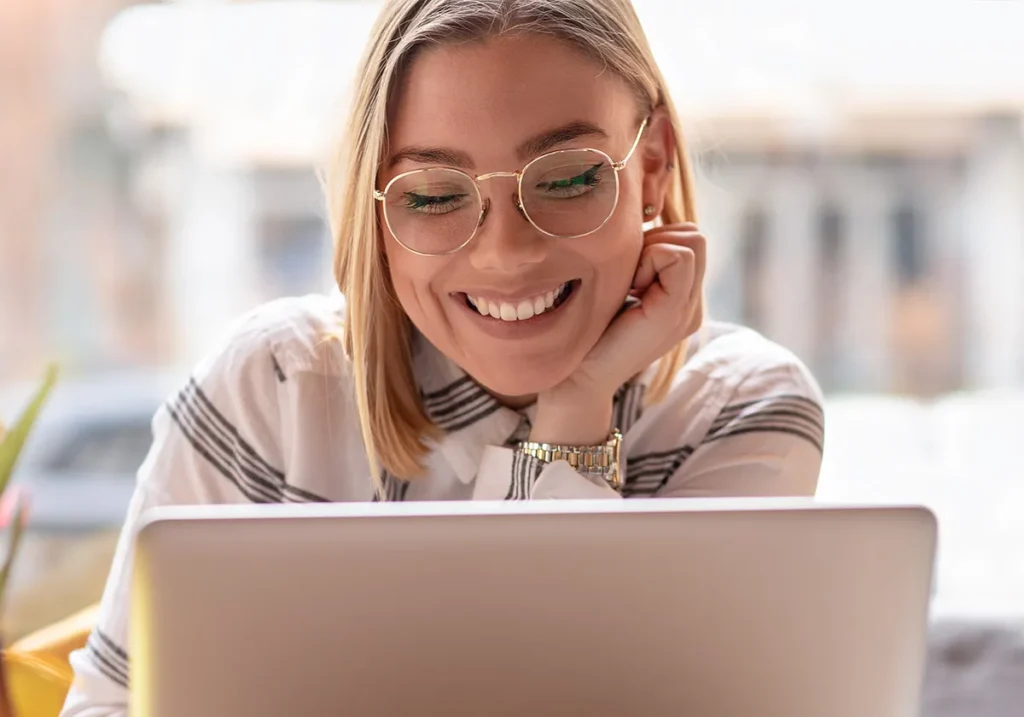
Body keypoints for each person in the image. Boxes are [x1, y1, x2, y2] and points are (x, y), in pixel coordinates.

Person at [61, 0, 825, 713]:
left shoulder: (740, 409)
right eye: (433, 196)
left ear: (651, 166)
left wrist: (575, 415)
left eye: (566, 179)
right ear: (379, 207)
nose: (504, 253)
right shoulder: (275, 388)